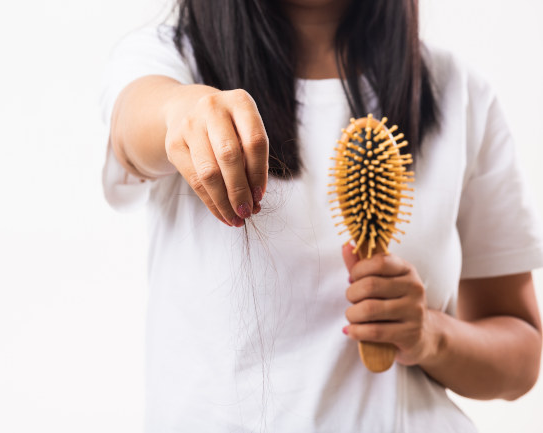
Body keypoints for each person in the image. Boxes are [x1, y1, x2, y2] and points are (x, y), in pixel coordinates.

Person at [99, 0, 543, 431]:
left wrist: (430, 335)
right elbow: (134, 125)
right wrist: (185, 112)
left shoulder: (457, 91)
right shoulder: (169, 58)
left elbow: (521, 356)